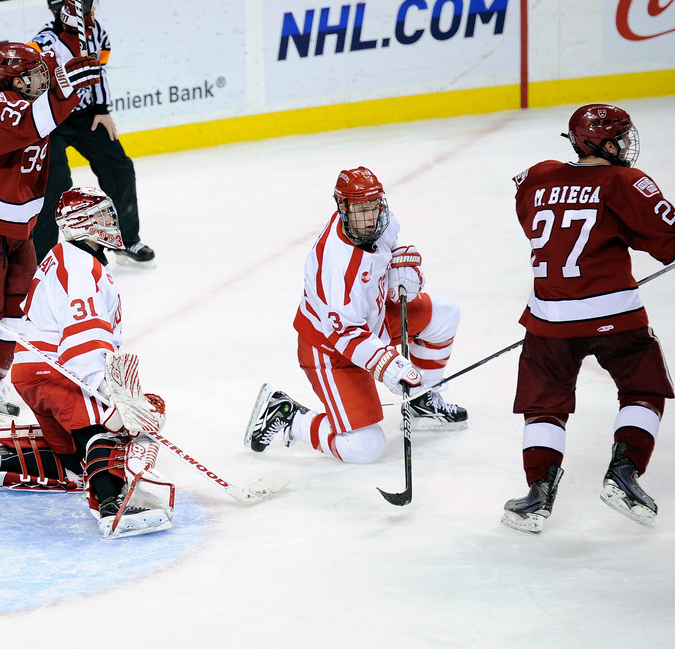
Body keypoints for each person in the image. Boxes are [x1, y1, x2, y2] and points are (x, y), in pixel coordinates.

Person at [0, 187, 174, 538]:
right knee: (111, 429)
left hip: (33, 371)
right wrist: (105, 392)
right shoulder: (80, 266)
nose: (109, 222)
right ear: (80, 224)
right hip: (61, 368)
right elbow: (82, 337)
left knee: (74, 457)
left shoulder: (65, 257)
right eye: (101, 216)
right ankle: (113, 506)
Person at [502, 104, 675, 534]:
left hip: (548, 319)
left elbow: (539, 226)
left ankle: (538, 494)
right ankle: (624, 472)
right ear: (604, 142)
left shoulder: (538, 176)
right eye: (621, 136)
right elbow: (667, 241)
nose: (627, 145)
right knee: (644, 388)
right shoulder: (625, 182)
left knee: (544, 405)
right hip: (615, 316)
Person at [245, 166, 468, 464]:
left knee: (444, 314)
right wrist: (390, 366)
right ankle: (287, 415)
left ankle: (421, 399)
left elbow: (393, 247)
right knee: (364, 447)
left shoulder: (380, 222)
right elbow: (345, 335)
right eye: (361, 208)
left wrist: (402, 269)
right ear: (342, 207)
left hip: (372, 319)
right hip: (330, 349)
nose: (371, 216)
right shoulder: (335, 267)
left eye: (375, 206)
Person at [0, 41, 102, 430]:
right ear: (12, 78)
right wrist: (67, 86)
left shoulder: (27, 92)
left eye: (44, 73)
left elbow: (62, 60)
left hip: (17, 227)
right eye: (36, 74)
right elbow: (37, 122)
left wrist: (80, 28)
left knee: (17, 313)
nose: (43, 77)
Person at [27, 0, 156, 266]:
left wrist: (102, 108)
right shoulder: (43, 41)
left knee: (119, 167)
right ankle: (41, 258)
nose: (91, 10)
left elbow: (99, 70)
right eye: (82, 6)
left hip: (88, 115)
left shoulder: (96, 31)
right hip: (53, 121)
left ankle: (125, 239)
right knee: (54, 184)